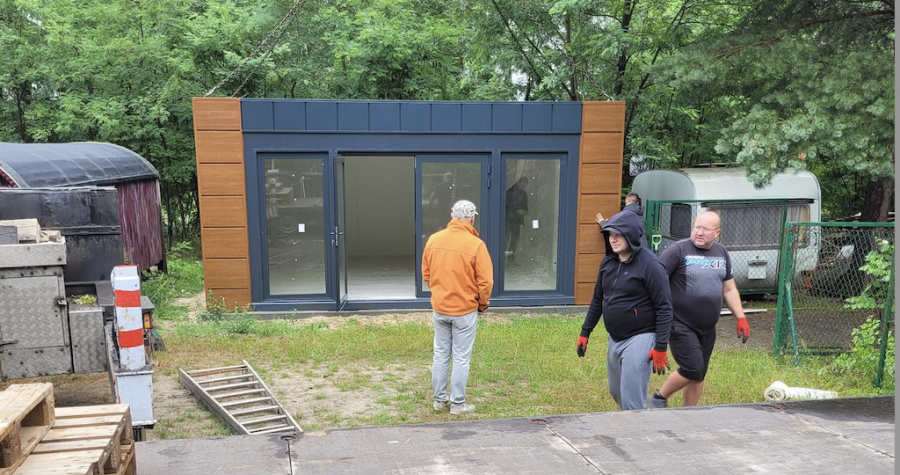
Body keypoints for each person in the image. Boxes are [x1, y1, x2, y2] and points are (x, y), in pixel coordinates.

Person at [648, 211, 751, 409]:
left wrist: (741, 317)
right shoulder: (677, 251)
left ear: (717, 232)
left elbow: (729, 288)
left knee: (699, 374)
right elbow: (655, 283)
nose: (699, 232)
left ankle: (690, 413)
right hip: (679, 323)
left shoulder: (721, 252)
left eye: (705, 229)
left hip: (707, 327)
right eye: (696, 227)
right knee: (693, 368)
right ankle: (659, 397)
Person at [576, 210, 673, 410]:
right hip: (615, 337)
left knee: (631, 402)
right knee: (617, 391)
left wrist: (661, 346)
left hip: (641, 336)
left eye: (619, 234)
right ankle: (632, 424)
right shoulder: (608, 263)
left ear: (631, 235)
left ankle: (636, 435)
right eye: (611, 234)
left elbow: (664, 307)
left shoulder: (651, 265)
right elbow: (597, 300)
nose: (614, 239)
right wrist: (585, 333)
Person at [422, 200, 494, 415]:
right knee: (461, 356)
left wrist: (439, 292)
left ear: (452, 216)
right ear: (472, 218)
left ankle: (439, 400)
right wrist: (481, 304)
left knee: (440, 354)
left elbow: (427, 274)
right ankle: (458, 404)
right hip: (465, 309)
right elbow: (486, 282)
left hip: (440, 308)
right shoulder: (476, 245)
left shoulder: (434, 240)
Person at [505, 177, 529, 263]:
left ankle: (511, 259)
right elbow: (506, 206)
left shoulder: (524, 194)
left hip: (517, 220)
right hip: (508, 220)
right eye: (522, 185)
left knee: (514, 240)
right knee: (506, 239)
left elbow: (526, 207)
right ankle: (503, 258)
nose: (523, 187)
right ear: (519, 183)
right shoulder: (510, 192)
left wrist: (524, 211)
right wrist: (515, 211)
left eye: (525, 186)